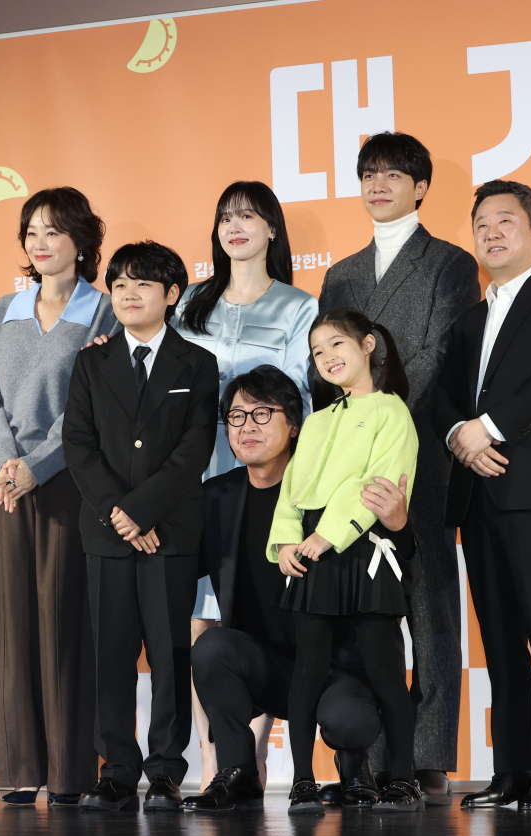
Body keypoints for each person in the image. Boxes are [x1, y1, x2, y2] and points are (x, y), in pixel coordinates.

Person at [317, 132, 479, 805]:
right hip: (350, 468)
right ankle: (379, 757)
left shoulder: (449, 263)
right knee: (368, 615)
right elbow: (327, 364)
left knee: (430, 605)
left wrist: (381, 425)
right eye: (368, 173)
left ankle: (430, 753)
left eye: (394, 172)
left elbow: (437, 351)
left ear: (420, 186)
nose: (378, 183)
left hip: (420, 462)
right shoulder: (341, 273)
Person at [432, 180, 531, 810]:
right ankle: (512, 771)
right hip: (477, 492)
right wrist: (458, 437)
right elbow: (445, 395)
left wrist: (486, 429)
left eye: (505, 221)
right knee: (498, 640)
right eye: (481, 224)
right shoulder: (468, 319)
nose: (492, 233)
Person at [185, 366, 411, 812]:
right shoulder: (217, 498)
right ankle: (238, 772)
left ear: (294, 425)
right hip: (267, 666)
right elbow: (177, 573)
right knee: (211, 647)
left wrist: (399, 526)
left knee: (349, 719)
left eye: (262, 414)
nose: (246, 426)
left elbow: (398, 566)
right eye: (236, 416)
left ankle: (354, 769)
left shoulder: (328, 496)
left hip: (336, 668)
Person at [0, 187, 117, 807]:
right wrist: (7, 463)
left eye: (53, 231)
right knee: (9, 626)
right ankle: (18, 766)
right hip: (4, 487)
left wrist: (38, 465)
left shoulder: (104, 312)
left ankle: (69, 772)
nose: (40, 242)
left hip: (68, 485)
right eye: (31, 231)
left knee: (64, 625)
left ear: (81, 240)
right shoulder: (2, 310)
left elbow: (90, 406)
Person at [62, 241, 217, 812]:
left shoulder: (197, 364)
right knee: (112, 656)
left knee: (172, 655)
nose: (127, 293)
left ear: (172, 295)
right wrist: (119, 514)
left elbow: (194, 448)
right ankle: (118, 770)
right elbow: (77, 445)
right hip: (107, 534)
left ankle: (166, 771)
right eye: (119, 283)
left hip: (169, 533)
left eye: (143, 284)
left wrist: (142, 511)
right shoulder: (91, 360)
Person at [174, 180, 318, 785]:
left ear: (272, 229)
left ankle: (253, 757)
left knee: (255, 612)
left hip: (270, 485)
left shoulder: (299, 306)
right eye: (226, 217)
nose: (236, 227)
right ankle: (215, 761)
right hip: (201, 475)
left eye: (249, 216)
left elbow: (304, 400)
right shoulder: (191, 306)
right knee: (201, 614)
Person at [270, 308, 422, 814]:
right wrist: (287, 542)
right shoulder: (314, 422)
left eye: (337, 344)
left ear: (368, 345)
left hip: (364, 553)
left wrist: (325, 536)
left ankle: (402, 778)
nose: (328, 357)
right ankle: (301, 782)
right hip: (313, 555)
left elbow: (376, 488)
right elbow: (291, 490)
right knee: (307, 672)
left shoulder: (392, 411)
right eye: (317, 351)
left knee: (385, 673)